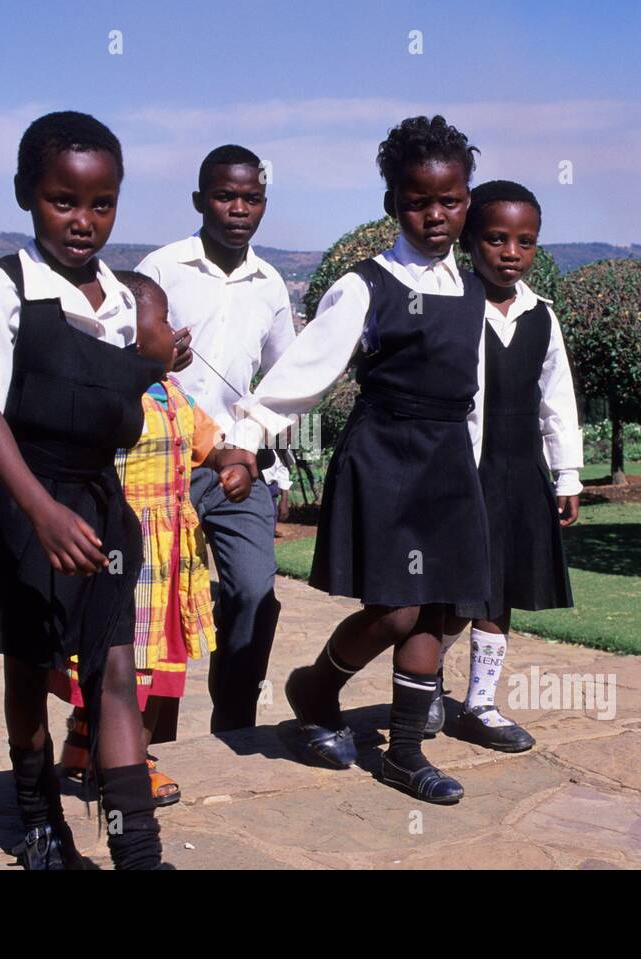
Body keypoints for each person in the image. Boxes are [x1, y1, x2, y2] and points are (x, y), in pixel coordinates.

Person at [0, 111, 251, 870]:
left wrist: (160, 362)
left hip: (101, 506)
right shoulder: (0, 289)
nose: (83, 221)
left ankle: (139, 849)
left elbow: (117, 394)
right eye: (62, 201)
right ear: (24, 194)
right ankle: (40, 817)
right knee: (29, 668)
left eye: (101, 203)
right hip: (19, 506)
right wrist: (38, 511)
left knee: (112, 667)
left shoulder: (119, 300)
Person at [225, 116, 490, 804]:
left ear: (467, 198)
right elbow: (302, 373)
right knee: (399, 610)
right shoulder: (366, 285)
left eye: (450, 200)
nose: (435, 215)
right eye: (418, 201)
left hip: (449, 463)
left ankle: (403, 754)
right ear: (392, 205)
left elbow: (474, 391)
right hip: (387, 459)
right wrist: (247, 440)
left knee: (435, 609)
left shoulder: (473, 289)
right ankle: (317, 684)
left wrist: (479, 468)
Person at [52, 272, 254, 805]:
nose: (177, 330)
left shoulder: (172, 392)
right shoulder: (110, 401)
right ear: (128, 335)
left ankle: (81, 750)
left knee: (159, 656)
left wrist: (236, 463)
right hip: (126, 554)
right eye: (163, 320)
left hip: (173, 555)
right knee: (131, 666)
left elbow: (209, 445)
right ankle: (126, 767)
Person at [136, 144, 296, 733]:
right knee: (158, 602)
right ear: (200, 200)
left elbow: (284, 383)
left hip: (236, 464)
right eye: (225, 196)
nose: (238, 209)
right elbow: (122, 360)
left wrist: (258, 457)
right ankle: (153, 739)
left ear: (263, 205)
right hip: (161, 462)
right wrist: (151, 361)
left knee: (254, 590)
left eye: (251, 198)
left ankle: (234, 719)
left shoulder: (271, 284)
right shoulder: (161, 268)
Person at [435, 180, 582, 750]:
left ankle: (480, 704)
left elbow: (558, 401)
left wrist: (567, 475)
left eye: (525, 241)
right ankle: (422, 690)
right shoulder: (454, 306)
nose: (510, 252)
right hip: (459, 473)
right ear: (471, 241)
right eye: (496, 239)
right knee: (453, 594)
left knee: (503, 591)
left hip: (520, 474)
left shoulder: (541, 315)